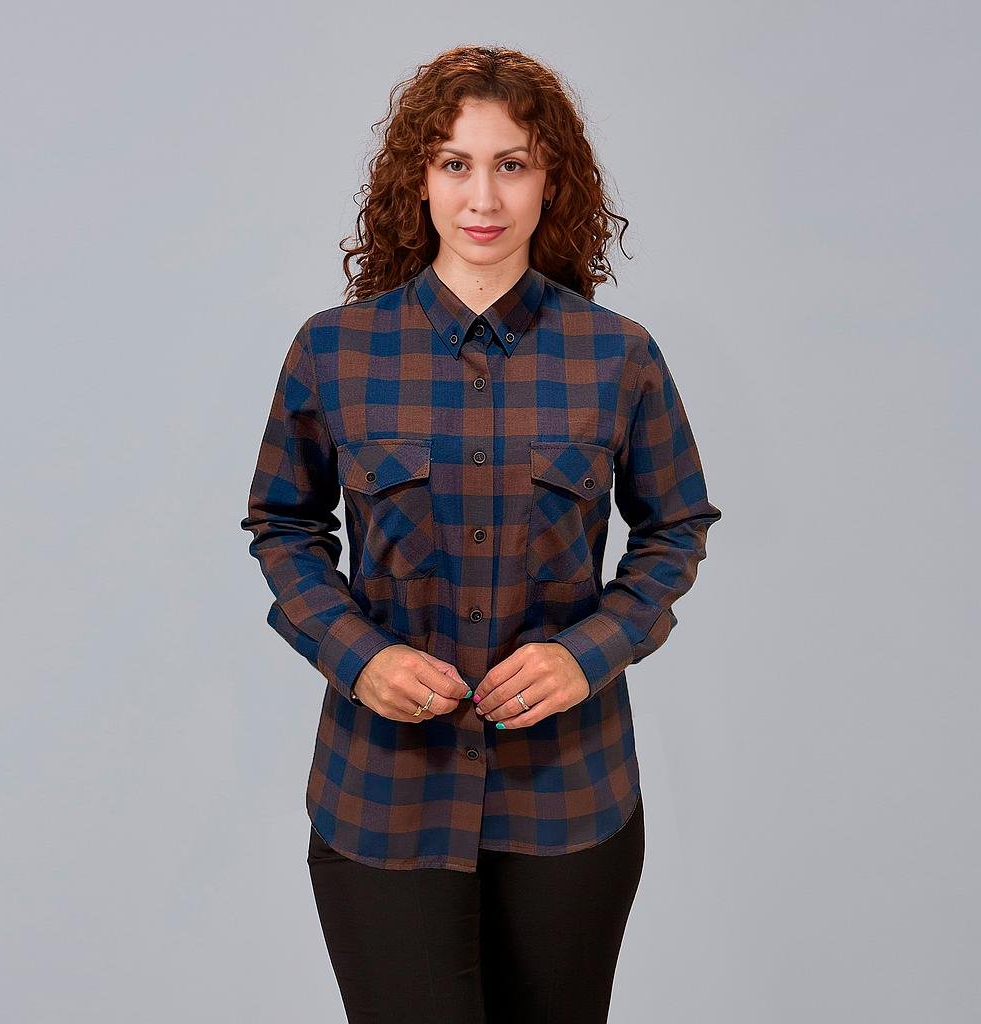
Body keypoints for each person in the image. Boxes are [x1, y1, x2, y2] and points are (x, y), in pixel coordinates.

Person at [240, 44, 722, 1024]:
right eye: (455, 163)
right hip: (382, 794)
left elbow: (675, 527)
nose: (484, 196)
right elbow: (284, 525)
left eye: (513, 163)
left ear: (552, 181)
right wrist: (358, 657)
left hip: (570, 795)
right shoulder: (334, 349)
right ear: (418, 179)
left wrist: (588, 654)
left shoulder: (617, 357)